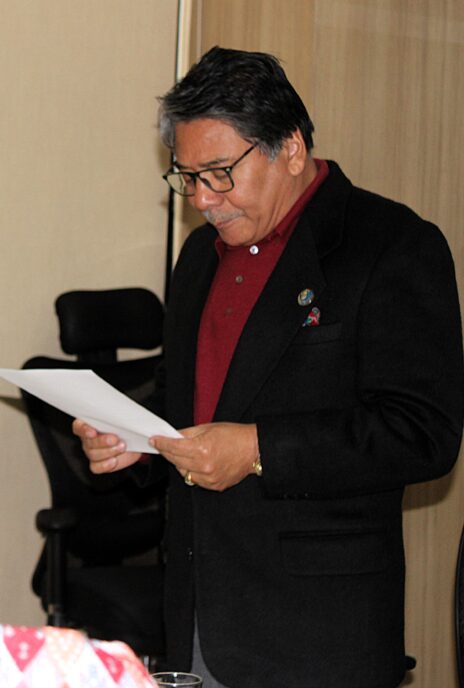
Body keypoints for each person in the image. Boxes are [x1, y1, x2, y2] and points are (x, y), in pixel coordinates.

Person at [73, 47, 462, 687]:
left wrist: (259, 450)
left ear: (291, 148)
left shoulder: (391, 245)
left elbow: (423, 432)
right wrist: (133, 445)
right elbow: (183, 405)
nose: (203, 198)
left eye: (220, 172)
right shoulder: (198, 256)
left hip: (318, 634)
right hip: (199, 618)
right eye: (188, 176)